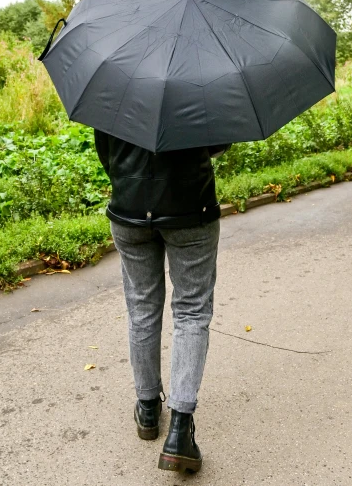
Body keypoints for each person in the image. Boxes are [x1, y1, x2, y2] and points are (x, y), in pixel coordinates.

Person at [94, 130, 230, 474]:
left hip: (129, 209)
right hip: (190, 208)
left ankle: (148, 408)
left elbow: (106, 152)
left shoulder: (116, 81)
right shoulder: (200, 80)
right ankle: (180, 433)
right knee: (192, 312)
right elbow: (217, 141)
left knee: (141, 308)